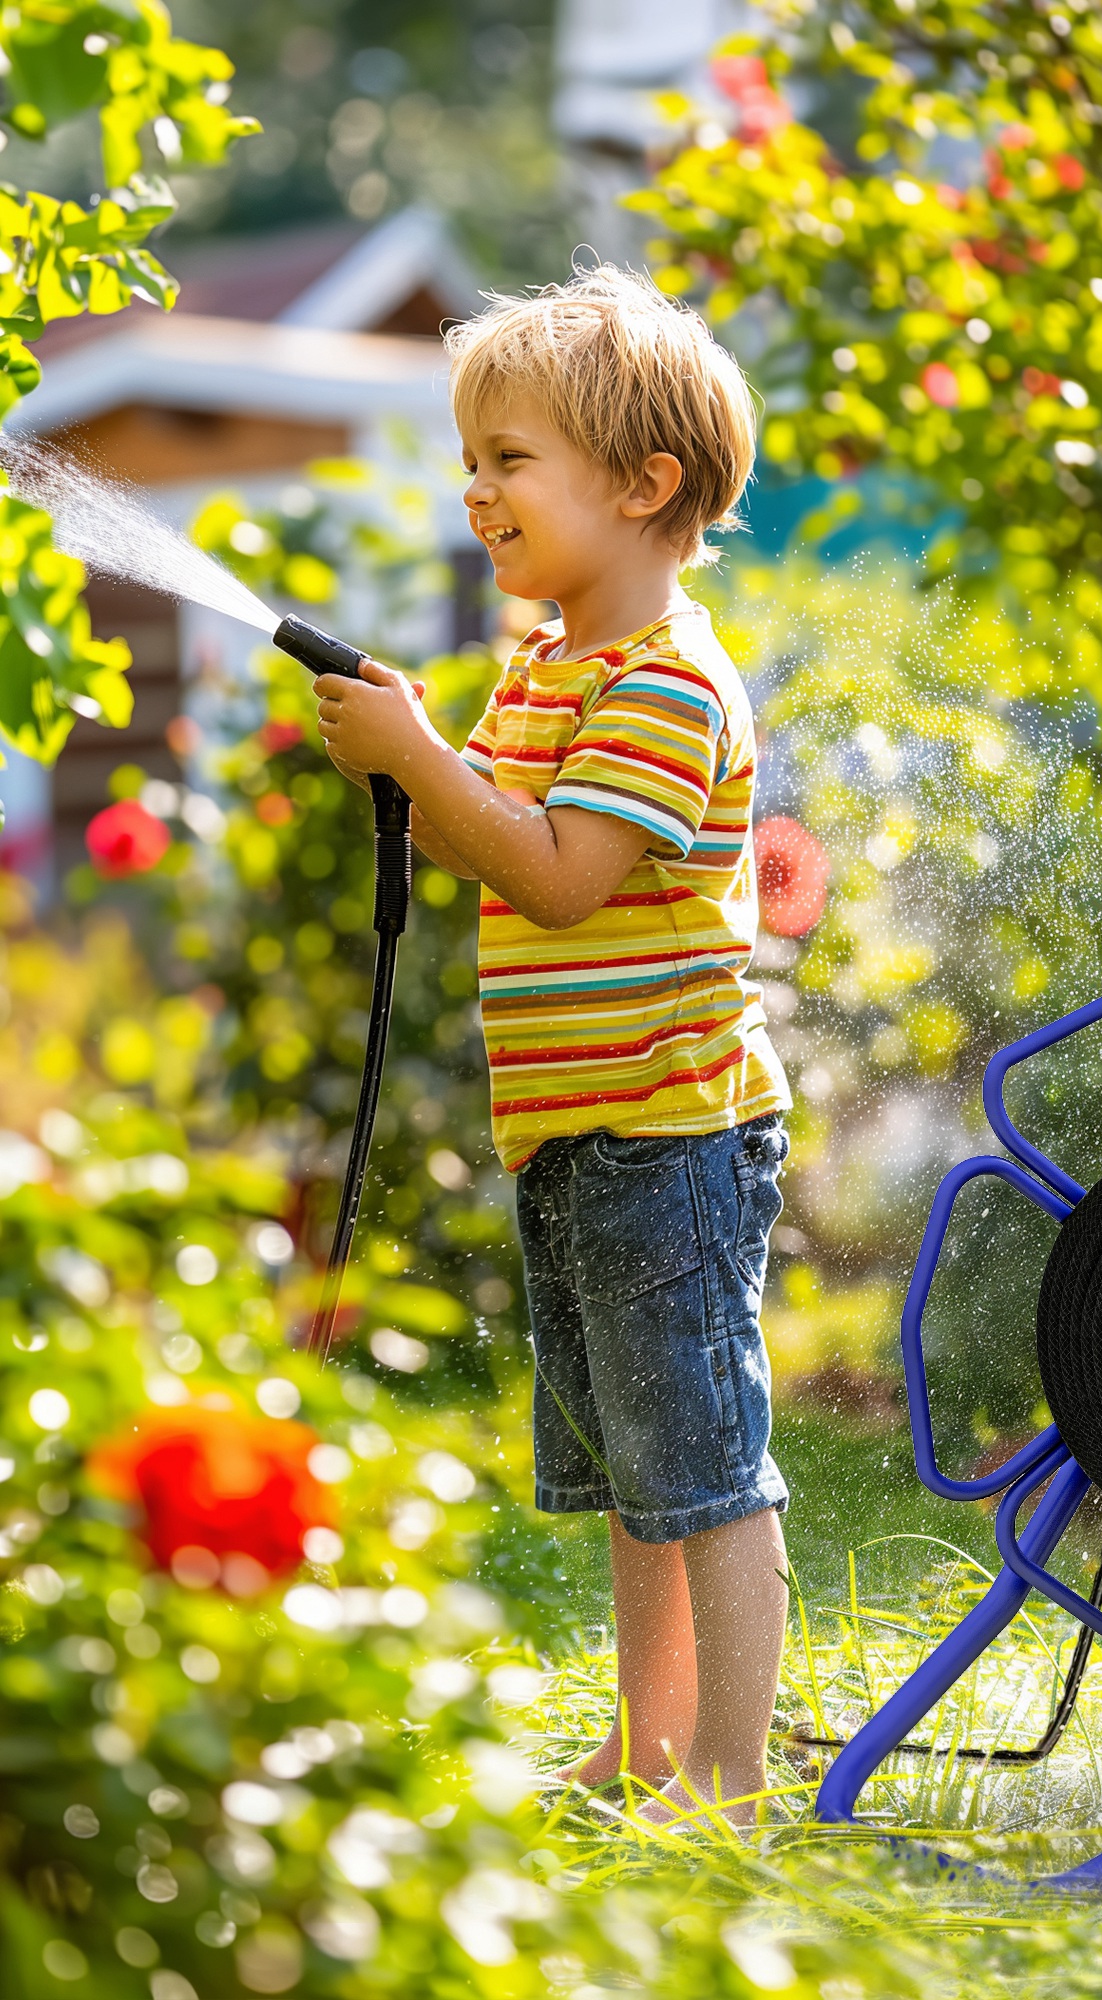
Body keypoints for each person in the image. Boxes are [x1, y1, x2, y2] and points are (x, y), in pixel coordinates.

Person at [311, 266, 792, 1828]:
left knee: (702, 1462)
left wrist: (422, 760)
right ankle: (645, 1740)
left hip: (670, 1131)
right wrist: (421, 751)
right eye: (476, 458)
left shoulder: (669, 683)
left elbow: (556, 873)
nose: (478, 488)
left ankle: (730, 1767)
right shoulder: (547, 667)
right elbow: (492, 831)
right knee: (626, 1459)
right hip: (580, 1131)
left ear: (644, 484)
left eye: (510, 458)